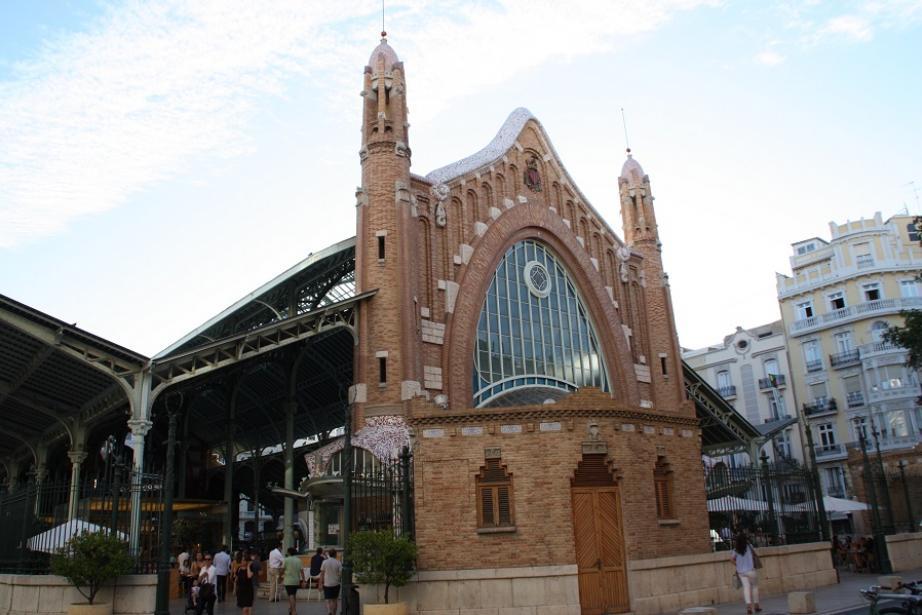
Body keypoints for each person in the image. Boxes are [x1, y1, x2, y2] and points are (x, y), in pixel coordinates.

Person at [731, 533, 761, 615]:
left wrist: (738, 565)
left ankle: (748, 607)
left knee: (746, 588)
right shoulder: (750, 547)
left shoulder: (735, 550)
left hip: (741, 572)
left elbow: (732, 560)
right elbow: (754, 555)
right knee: (754, 587)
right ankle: (756, 606)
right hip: (751, 570)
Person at [319, 548, 343, 615]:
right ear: (335, 554)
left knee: (328, 599)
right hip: (336, 583)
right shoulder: (338, 562)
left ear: (329, 554)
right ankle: (334, 613)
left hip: (327, 584)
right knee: (334, 600)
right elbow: (340, 574)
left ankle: (329, 611)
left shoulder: (324, 562)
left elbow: (322, 574)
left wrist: (320, 584)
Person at [283, 547, 306, 614]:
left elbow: (282, 569)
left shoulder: (286, 560)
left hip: (288, 581)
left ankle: (294, 611)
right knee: (293, 595)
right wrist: (304, 580)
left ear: (288, 552)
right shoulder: (299, 560)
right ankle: (291, 609)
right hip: (296, 581)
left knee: (291, 595)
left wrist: (280, 575)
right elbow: (302, 571)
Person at [236, 549, 256, 615]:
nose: (242, 562)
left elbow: (249, 576)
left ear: (247, 561)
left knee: (246, 609)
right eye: (242, 560)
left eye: (244, 560)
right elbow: (236, 579)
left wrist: (248, 566)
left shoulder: (251, 568)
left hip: (248, 591)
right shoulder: (239, 569)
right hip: (241, 591)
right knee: (244, 610)